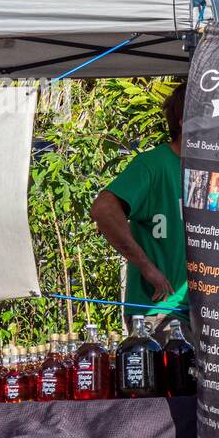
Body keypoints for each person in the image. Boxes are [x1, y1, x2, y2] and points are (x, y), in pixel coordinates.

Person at [90, 83, 188, 337]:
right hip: (160, 310)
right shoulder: (153, 165)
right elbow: (103, 209)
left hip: (202, 310)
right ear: (184, 121)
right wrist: (146, 267)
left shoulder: (211, 168)